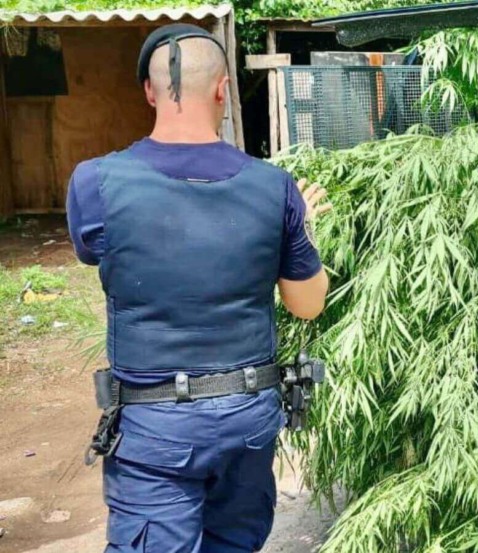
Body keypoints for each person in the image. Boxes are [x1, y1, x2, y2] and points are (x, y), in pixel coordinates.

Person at [65, 24, 331, 552]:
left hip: (154, 430)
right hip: (247, 420)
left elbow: (92, 250)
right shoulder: (275, 189)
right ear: (223, 88)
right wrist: (301, 230)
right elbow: (307, 305)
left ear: (148, 91)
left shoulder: (94, 184)